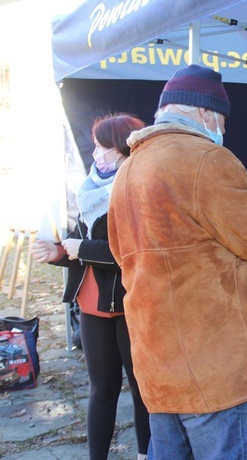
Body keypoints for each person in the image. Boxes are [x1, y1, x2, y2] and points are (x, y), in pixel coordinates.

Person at [107, 64, 247, 460]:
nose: (222, 130)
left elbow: (120, 255)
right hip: (212, 364)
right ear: (206, 113)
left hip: (157, 358)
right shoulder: (204, 158)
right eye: (222, 120)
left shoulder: (127, 170)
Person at [31, 113, 151, 460]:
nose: (96, 155)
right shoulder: (88, 190)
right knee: (102, 391)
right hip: (93, 304)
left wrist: (81, 249)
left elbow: (133, 251)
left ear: (123, 150)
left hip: (134, 305)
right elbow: (76, 246)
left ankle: (146, 455)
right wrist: (57, 252)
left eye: (103, 149)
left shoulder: (142, 187)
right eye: (95, 148)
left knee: (144, 390)